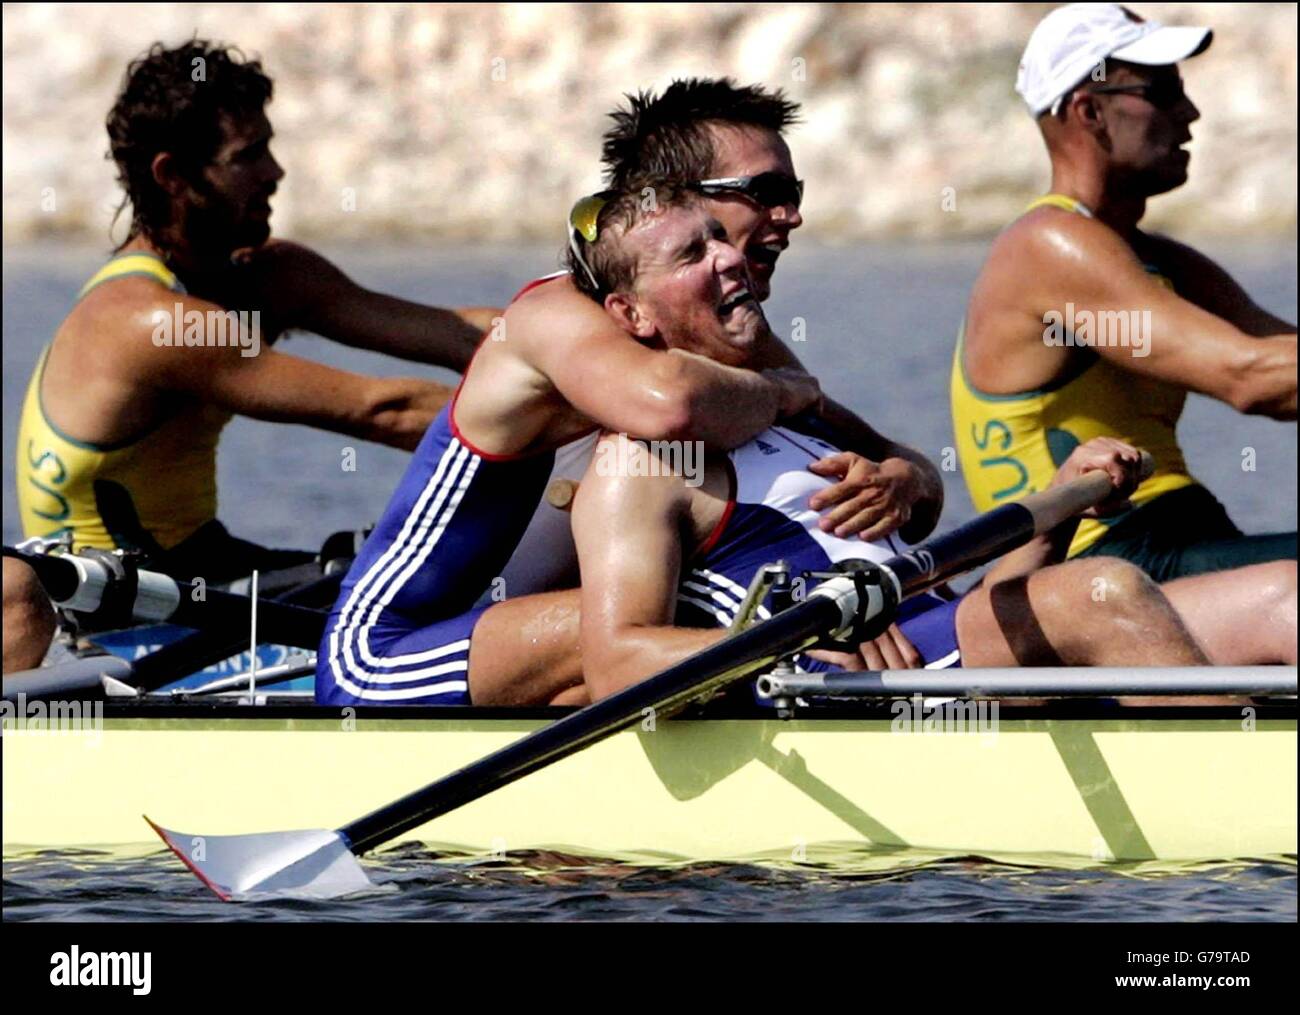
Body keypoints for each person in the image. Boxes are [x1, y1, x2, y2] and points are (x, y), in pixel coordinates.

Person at [316, 79, 944, 706]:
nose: (791, 215)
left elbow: (909, 470)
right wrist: (782, 395)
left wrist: (901, 480)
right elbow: (669, 406)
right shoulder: (557, 314)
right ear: (676, 200)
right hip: (388, 654)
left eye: (793, 193)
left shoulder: (739, 344)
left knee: (672, 626)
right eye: (767, 193)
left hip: (543, 636)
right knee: (655, 633)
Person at [566, 186, 1297, 702]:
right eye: (692, 254)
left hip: (938, 634)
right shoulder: (638, 463)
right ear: (631, 314)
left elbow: (955, 574)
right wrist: (785, 640)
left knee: (1286, 596)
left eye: (720, 237)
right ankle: (1246, 807)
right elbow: (619, 663)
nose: (728, 259)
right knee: (1097, 591)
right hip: (860, 682)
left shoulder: (785, 406)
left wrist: (1057, 502)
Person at [15, 40, 497, 586]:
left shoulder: (267, 276)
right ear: (172, 175)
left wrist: (589, 332)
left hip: (207, 566)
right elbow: (384, 411)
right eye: (246, 157)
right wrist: (572, 418)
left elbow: (459, 335)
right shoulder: (153, 322)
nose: (275, 171)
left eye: (268, 148)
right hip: (128, 611)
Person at [952, 3, 1297, 582]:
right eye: (1163, 91)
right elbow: (1252, 380)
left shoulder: (1165, 261)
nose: (1191, 112)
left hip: (1179, 537)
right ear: (1090, 111)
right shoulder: (1048, 245)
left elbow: (1280, 362)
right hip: (1095, 563)